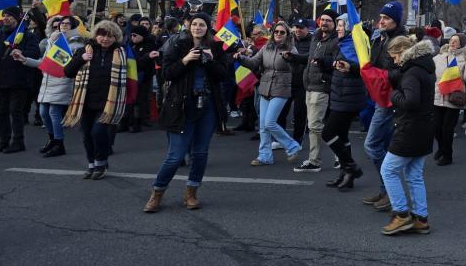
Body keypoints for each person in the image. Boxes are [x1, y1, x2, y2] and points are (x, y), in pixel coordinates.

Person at [143, 14, 230, 212]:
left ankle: (191, 193)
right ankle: (157, 193)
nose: (198, 28)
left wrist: (210, 60)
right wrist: (185, 60)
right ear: (189, 27)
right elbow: (166, 73)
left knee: (200, 153)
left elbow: (223, 75)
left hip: (207, 106)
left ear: (208, 27)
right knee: (175, 156)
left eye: (202, 25)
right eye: (194, 24)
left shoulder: (216, 47)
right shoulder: (177, 45)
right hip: (181, 106)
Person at [379, 36, 436, 235]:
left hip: (410, 128)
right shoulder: (425, 67)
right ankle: (421, 218)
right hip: (424, 127)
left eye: (395, 57)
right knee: (414, 175)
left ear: (403, 51)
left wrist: (394, 94)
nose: (395, 61)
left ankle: (401, 214)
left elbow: (411, 102)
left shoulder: (411, 72)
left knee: (388, 170)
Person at [11, 15, 86, 157]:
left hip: (62, 81)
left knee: (54, 112)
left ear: (73, 26)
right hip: (47, 81)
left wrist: (55, 45)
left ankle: (59, 143)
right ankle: (52, 140)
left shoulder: (76, 42)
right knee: (43, 113)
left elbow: (69, 63)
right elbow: (44, 62)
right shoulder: (53, 40)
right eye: (61, 23)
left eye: (67, 23)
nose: (63, 25)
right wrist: (25, 59)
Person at [63, 20, 129, 179]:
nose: (105, 39)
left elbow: (133, 72)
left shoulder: (121, 52)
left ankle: (101, 163)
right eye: (102, 35)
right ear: (96, 35)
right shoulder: (84, 50)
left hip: (108, 102)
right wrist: (81, 59)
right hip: (85, 100)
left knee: (98, 132)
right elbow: (68, 72)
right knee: (87, 135)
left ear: (115, 37)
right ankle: (91, 164)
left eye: (110, 36)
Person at [361, 1, 407, 212]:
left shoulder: (401, 41)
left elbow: (404, 71)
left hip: (390, 99)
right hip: (379, 96)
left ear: (395, 20)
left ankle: (391, 189)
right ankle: (386, 189)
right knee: (385, 146)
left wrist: (384, 76)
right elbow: (374, 64)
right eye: (381, 17)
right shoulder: (381, 38)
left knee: (371, 145)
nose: (381, 21)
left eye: (386, 18)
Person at [237, 20, 302, 166]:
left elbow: (297, 69)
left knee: (270, 122)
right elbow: (254, 62)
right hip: (265, 87)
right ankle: (265, 156)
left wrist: (290, 59)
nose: (278, 34)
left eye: (282, 32)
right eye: (276, 31)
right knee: (262, 126)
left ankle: (292, 145)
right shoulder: (267, 47)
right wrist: (241, 58)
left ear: (287, 35)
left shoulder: (291, 49)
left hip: (281, 88)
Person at [321, 15, 367, 190]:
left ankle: (351, 167)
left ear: (349, 28)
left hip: (349, 97)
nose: (338, 28)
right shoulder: (343, 43)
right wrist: (327, 63)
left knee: (328, 133)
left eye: (341, 25)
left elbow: (363, 67)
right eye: (338, 25)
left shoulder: (355, 44)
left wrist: (350, 68)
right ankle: (346, 175)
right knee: (342, 135)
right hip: (340, 95)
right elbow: (339, 65)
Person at [0, 8, 41, 153]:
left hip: (20, 80)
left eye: (9, 16)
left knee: (15, 111)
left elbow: (35, 53)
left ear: (17, 18)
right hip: (1, 80)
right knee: (2, 112)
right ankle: (3, 141)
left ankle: (18, 142)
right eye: (4, 15)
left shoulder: (28, 36)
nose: (5, 18)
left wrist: (22, 52)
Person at [296, 8, 340, 172]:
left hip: (322, 87)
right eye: (322, 20)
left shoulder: (336, 41)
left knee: (315, 125)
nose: (324, 23)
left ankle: (315, 161)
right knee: (318, 125)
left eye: (328, 20)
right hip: (310, 85)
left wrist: (324, 70)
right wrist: (294, 57)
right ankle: (341, 157)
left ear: (335, 24)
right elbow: (310, 59)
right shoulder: (316, 37)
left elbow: (337, 63)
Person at [432, 32, 466, 166]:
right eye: (451, 40)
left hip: (454, 98)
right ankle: (441, 148)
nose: (452, 42)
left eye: (456, 41)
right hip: (438, 96)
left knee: (447, 129)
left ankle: (447, 155)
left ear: (461, 44)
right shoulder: (439, 57)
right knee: (436, 128)